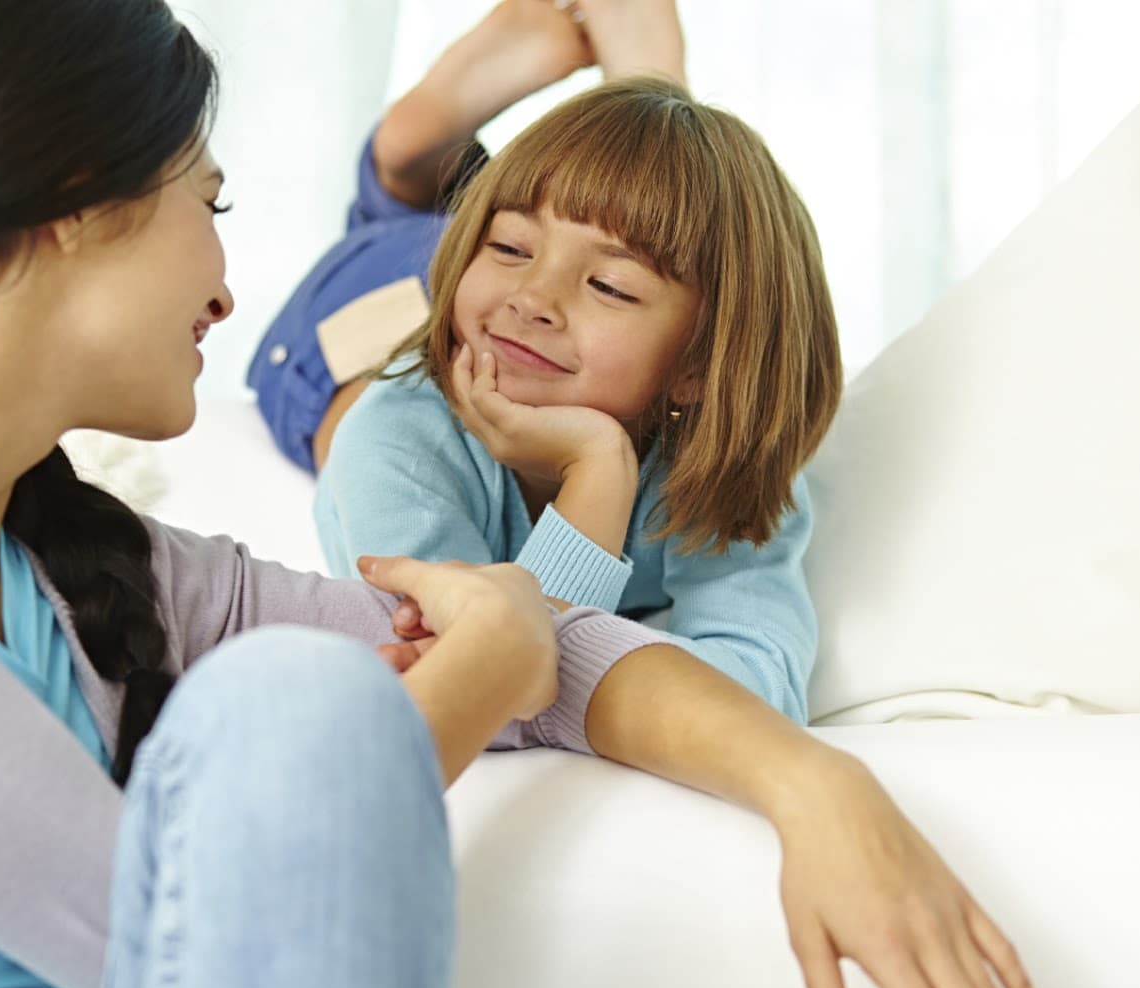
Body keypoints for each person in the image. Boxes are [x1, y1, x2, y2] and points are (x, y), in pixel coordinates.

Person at [0, 1, 1041, 988]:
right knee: (296, 702)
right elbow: (167, 925)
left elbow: (553, 655)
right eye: (207, 202)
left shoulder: (100, 571)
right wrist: (482, 669)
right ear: (70, 208)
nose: (230, 287)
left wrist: (810, 780)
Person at [252, 1, 834, 722]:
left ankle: (635, 125)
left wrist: (596, 462)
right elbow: (484, 685)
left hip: (478, 264)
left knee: (549, 230)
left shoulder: (726, 461)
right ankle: (412, 166)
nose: (535, 298)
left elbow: (760, 688)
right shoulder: (392, 438)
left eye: (612, 286)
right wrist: (599, 473)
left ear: (699, 366)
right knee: (357, 389)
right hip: (382, 302)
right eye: (510, 247)